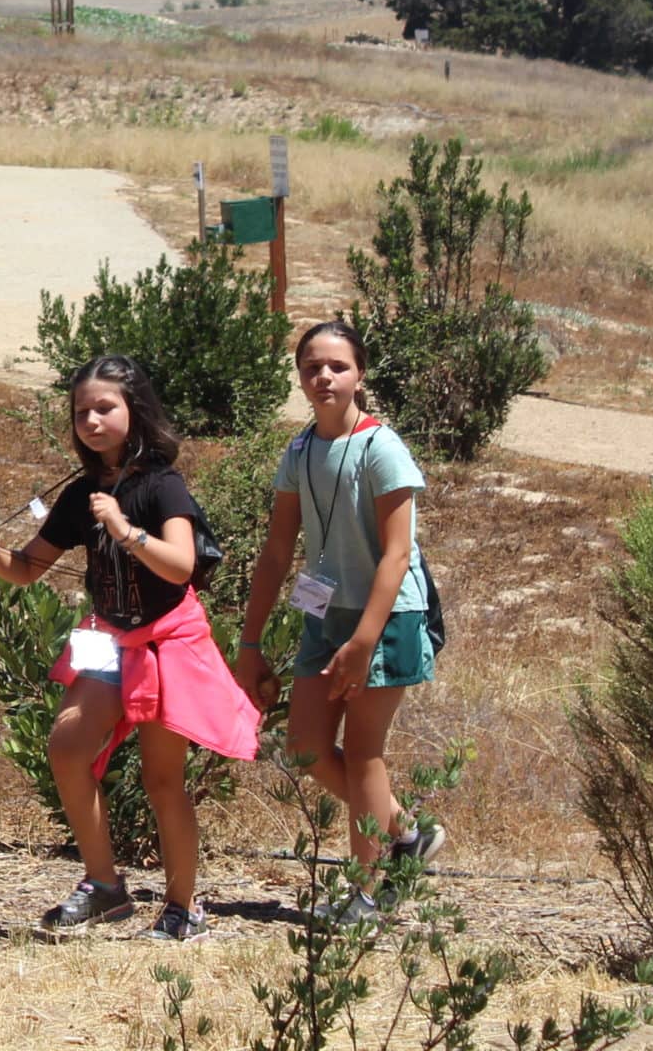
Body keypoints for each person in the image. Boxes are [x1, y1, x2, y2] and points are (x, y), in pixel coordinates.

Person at [0, 356, 258, 945]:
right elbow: (27, 570)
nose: (91, 421)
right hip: (109, 637)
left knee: (161, 778)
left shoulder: (162, 485)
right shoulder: (79, 493)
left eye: (104, 408)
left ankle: (181, 907)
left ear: (135, 412)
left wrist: (126, 531)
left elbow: (182, 566)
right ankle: (105, 887)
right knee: (68, 746)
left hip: (167, 638)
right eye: (81, 412)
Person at [231, 321, 446, 924]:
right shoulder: (299, 451)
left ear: (360, 374)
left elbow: (398, 553)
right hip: (325, 614)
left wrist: (364, 639)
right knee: (303, 747)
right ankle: (406, 835)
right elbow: (277, 552)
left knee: (363, 755)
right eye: (311, 368)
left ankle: (369, 894)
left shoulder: (382, 448)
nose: (324, 377)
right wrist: (250, 644)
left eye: (337, 366)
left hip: (386, 616)